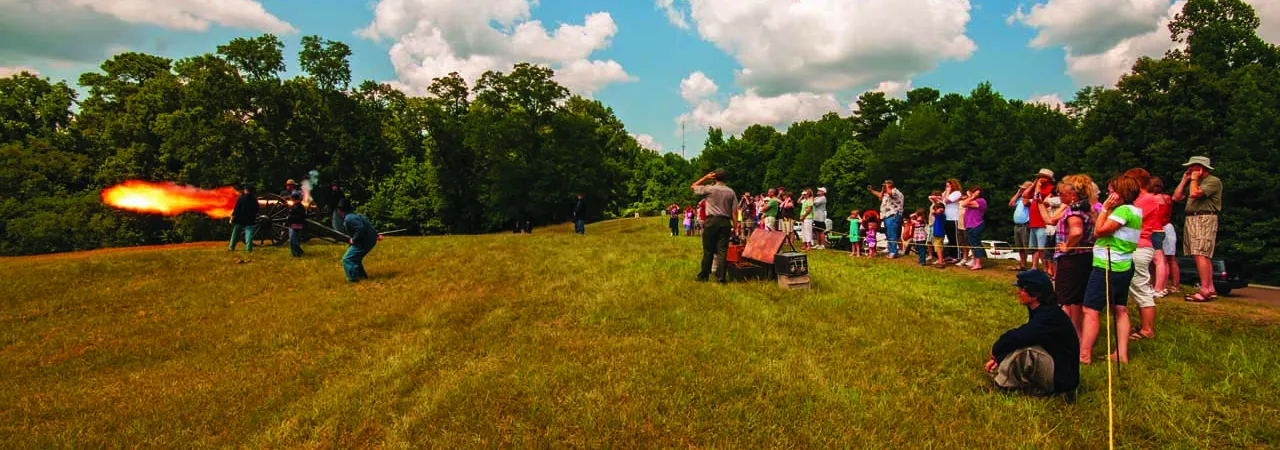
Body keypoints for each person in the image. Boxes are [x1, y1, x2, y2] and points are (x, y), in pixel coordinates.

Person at [984, 270, 1080, 400]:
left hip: (1061, 379)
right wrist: (999, 358)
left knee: (1026, 353)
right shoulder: (1044, 310)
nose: (1018, 292)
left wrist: (996, 351)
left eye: (1022, 289)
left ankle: (1001, 385)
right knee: (1022, 346)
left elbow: (1018, 336)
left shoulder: (1048, 317)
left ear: (1035, 295)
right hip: (1058, 369)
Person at [1080, 175, 1142, 364]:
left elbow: (1099, 231)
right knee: (1120, 309)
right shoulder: (1135, 210)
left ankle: (1083, 355)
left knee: (1090, 310)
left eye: (1111, 191)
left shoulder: (1122, 211)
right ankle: (1120, 354)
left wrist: (1105, 209)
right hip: (1124, 265)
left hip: (1107, 265)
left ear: (1121, 192)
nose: (1108, 194)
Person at [1048, 174, 1098, 336]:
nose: (1059, 196)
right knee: (1076, 299)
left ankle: (1066, 334)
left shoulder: (1072, 212)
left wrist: (1067, 248)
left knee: (1064, 299)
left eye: (1062, 193)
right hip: (1085, 257)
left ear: (1073, 196)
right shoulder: (1088, 211)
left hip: (1071, 260)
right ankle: (1077, 333)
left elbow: (1076, 232)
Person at [1173, 156, 1223, 302]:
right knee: (1201, 254)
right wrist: (1185, 180)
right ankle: (1210, 288)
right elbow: (1176, 197)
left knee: (1200, 252)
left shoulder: (1213, 181)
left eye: (1192, 167)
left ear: (1201, 168)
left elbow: (1195, 194)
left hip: (1204, 218)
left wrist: (1194, 180)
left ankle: (1204, 289)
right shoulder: (1193, 182)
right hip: (1193, 218)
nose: (1189, 169)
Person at [1125, 168, 1160, 341]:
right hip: (1134, 246)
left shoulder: (1147, 200)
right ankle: (1143, 324)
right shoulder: (1140, 200)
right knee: (1136, 286)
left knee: (1141, 286)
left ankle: (1147, 329)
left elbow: (1129, 218)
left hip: (1140, 247)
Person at [691, 169, 738, 283]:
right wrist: (735, 227)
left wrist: (706, 177)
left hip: (711, 221)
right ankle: (721, 277)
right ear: (725, 178)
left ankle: (704, 276)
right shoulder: (731, 192)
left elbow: (693, 186)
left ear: (715, 178)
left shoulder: (709, 189)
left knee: (708, 250)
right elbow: (734, 212)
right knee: (722, 251)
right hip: (725, 222)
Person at [1150, 177, 1179, 297]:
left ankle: (1172, 285)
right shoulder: (1164, 198)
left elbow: (1160, 215)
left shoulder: (1163, 198)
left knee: (1168, 258)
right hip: (1161, 227)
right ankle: (1159, 283)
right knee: (1160, 259)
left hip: (1163, 227)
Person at [1023, 169, 1055, 270]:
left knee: (1043, 249)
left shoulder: (1050, 189)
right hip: (1034, 223)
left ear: (1048, 179)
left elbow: (1037, 196)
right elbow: (1025, 195)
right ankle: (1038, 268)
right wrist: (1034, 184)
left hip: (1043, 223)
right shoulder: (1036, 186)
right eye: (1038, 176)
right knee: (1035, 248)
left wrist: (1038, 185)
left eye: (1042, 177)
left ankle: (1048, 269)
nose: (1039, 178)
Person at [341, 201, 380, 283]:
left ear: (339, 211)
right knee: (355, 259)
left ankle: (353, 280)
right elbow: (367, 224)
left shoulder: (349, 219)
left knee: (347, 259)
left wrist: (353, 239)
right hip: (369, 240)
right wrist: (376, 235)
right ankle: (362, 277)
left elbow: (361, 228)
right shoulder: (357, 216)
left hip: (364, 241)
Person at [868, 180, 905, 258]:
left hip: (893, 215)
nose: (884, 186)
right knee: (889, 234)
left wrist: (887, 187)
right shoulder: (886, 194)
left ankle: (893, 252)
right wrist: (872, 190)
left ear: (890, 185)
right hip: (887, 216)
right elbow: (880, 196)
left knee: (892, 234)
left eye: (885, 185)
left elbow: (890, 193)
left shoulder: (895, 192)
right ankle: (891, 250)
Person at [962, 185, 988, 271]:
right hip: (970, 226)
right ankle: (975, 261)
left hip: (976, 225)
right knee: (973, 244)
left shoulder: (981, 201)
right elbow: (964, 203)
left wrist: (972, 196)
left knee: (976, 245)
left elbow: (964, 203)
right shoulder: (974, 200)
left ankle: (978, 263)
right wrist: (972, 197)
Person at [229, 184, 259, 253]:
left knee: (235, 234)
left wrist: (233, 217)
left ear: (245, 190)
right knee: (249, 235)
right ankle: (248, 249)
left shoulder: (241, 198)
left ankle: (231, 247)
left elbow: (236, 209)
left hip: (240, 219)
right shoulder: (254, 199)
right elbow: (257, 209)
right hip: (250, 219)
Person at [1010, 181, 1033, 270]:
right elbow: (1011, 203)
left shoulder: (1028, 199)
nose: (1022, 190)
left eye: (1023, 189)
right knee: (1020, 247)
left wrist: (1025, 194)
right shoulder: (1019, 199)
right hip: (1017, 225)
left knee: (1026, 245)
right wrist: (1018, 193)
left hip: (1025, 225)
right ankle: (1023, 264)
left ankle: (1031, 266)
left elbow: (1025, 203)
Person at [287, 192, 307, 257]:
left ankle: (296, 253)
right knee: (293, 239)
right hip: (293, 224)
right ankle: (295, 252)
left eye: (293, 198)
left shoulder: (299, 207)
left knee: (293, 240)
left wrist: (290, 217)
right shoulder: (296, 206)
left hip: (296, 225)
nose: (292, 200)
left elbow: (300, 217)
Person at [930, 203, 947, 268]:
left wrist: (939, 209)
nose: (935, 210)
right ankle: (941, 260)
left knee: (938, 248)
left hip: (939, 234)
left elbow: (940, 210)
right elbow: (933, 212)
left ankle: (941, 262)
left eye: (936, 209)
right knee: (938, 248)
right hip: (937, 233)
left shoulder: (941, 214)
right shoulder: (938, 215)